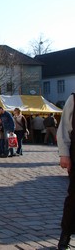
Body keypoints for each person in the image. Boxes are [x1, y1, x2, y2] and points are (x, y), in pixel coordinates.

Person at [57, 94, 75, 249]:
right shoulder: (74, 98)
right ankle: (66, 234)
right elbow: (64, 128)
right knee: (74, 196)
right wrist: (64, 154)